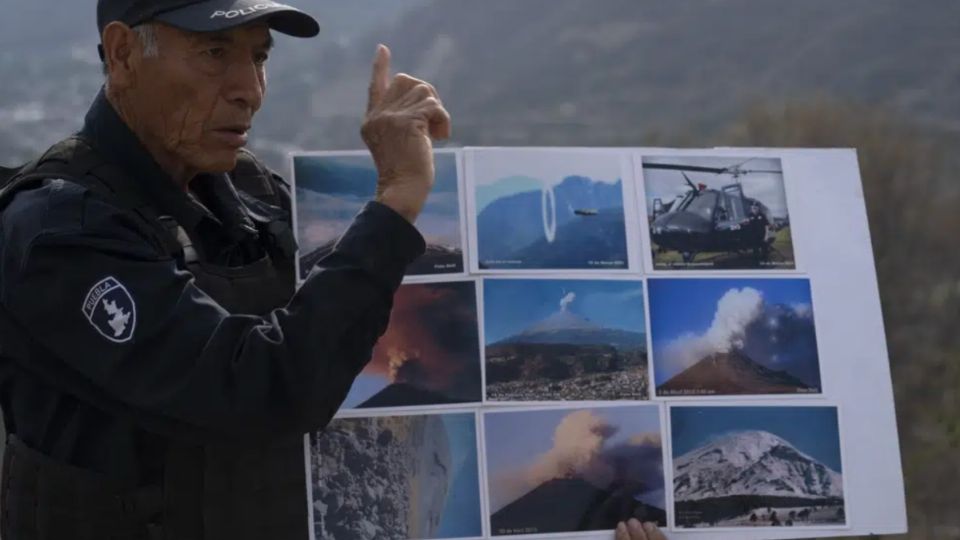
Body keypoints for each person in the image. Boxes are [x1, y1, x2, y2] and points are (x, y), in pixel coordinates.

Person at [0, 0, 450, 538]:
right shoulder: (59, 232)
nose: (250, 90)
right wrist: (395, 202)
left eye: (259, 57)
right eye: (214, 53)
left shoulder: (247, 188)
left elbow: (333, 318)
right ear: (123, 54)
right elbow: (258, 392)